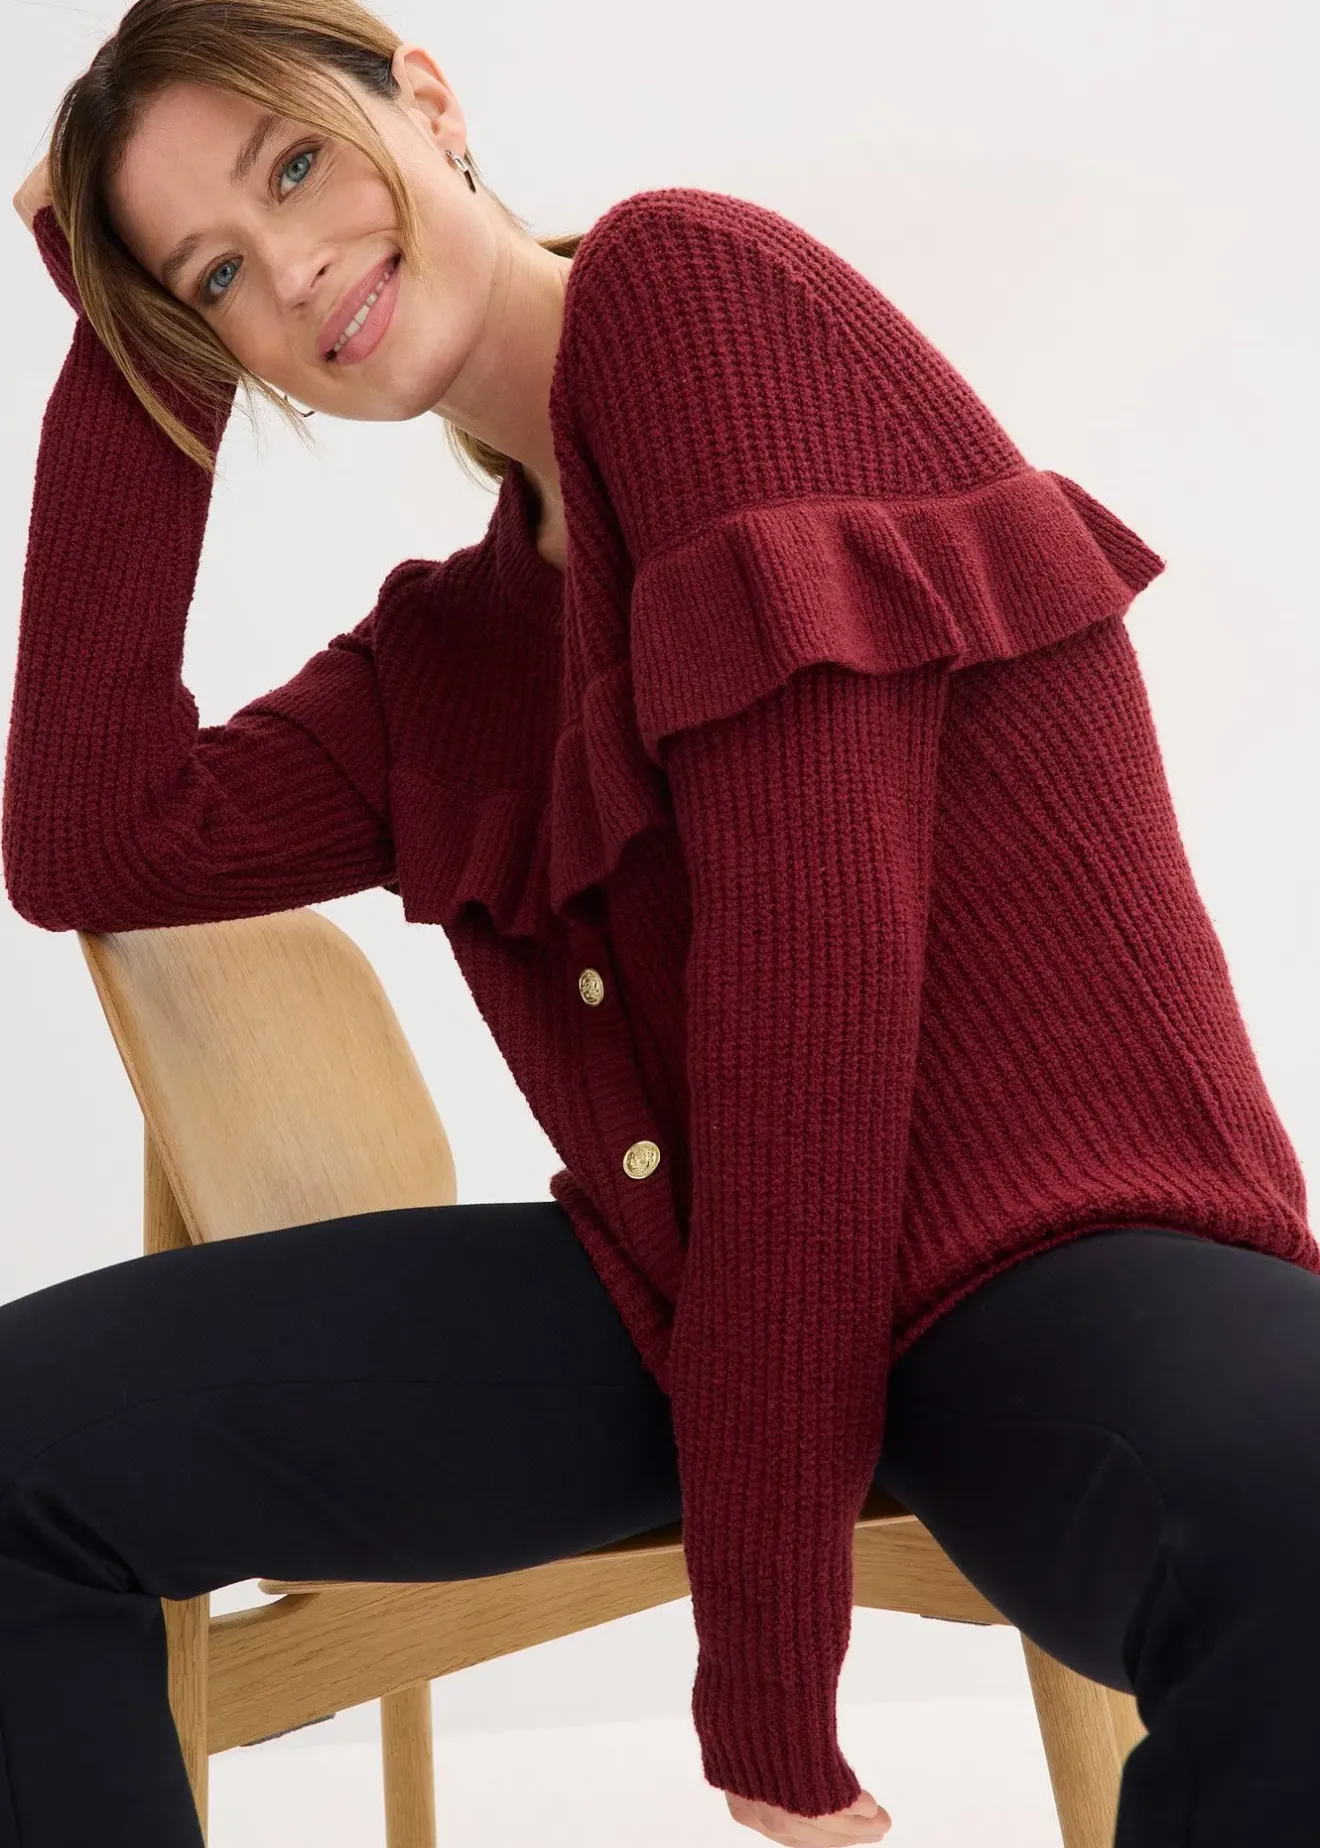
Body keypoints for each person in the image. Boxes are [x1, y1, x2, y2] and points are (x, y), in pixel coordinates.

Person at [6, 4, 1320, 1845]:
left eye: (295, 164)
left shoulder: (692, 298)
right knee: (24, 1453)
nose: (289, 268)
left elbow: (814, 1002)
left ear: (428, 102)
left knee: (1297, 1510)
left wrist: (763, 1675)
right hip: (705, 1286)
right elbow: (90, 839)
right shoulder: (449, 656)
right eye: (215, 274)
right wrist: (128, 351)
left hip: (1049, 1253)